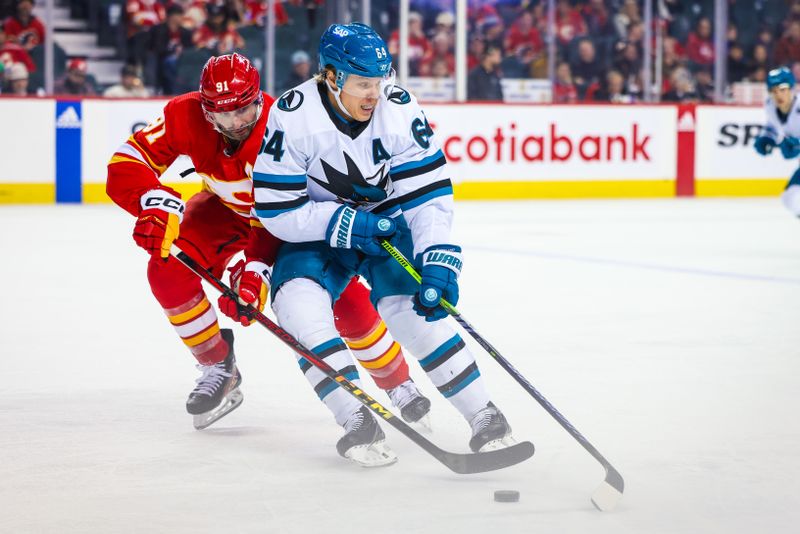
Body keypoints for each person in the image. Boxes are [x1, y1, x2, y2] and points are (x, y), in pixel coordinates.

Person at [106, 53, 431, 431]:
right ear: (206, 109)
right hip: (225, 209)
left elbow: (281, 215)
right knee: (166, 270)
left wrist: (256, 266)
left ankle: (397, 382)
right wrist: (152, 199)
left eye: (244, 111)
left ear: (259, 98)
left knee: (345, 302)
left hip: (290, 221)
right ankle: (217, 364)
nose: (235, 124)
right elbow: (128, 159)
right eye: (223, 116)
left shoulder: (282, 127)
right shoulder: (184, 114)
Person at [249, 23, 516, 467]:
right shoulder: (292, 116)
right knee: (296, 302)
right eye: (362, 84)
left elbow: (429, 195)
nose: (374, 94)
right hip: (320, 231)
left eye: (379, 80)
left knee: (412, 306)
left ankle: (485, 415)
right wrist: (344, 223)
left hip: (387, 225)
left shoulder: (399, 107)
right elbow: (277, 211)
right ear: (332, 77)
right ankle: (355, 417)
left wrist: (438, 260)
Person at [753, 67, 800, 219]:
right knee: (790, 198)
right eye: (773, 90)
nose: (778, 94)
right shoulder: (770, 106)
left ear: (793, 89)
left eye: (783, 89)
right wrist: (767, 138)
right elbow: (772, 127)